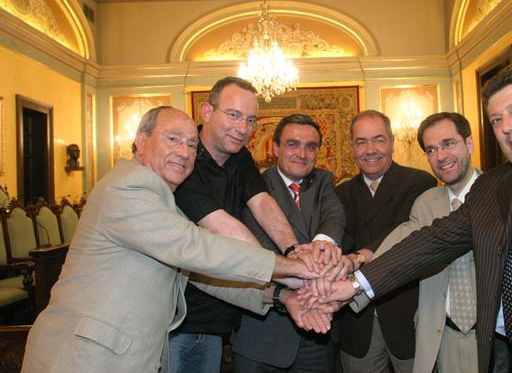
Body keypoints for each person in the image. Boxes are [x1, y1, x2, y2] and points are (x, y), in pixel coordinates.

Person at [311, 69, 512, 373]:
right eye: (497, 119)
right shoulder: (493, 186)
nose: (506, 126)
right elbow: (432, 242)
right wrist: (352, 286)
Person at [21, 106, 321, 373]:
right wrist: (292, 267)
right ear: (141, 141)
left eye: (191, 145)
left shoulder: (166, 204)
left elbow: (204, 277)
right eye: (173, 139)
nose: (184, 152)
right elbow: (197, 248)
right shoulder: (128, 186)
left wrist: (283, 296)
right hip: (85, 356)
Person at [170, 77, 339, 373]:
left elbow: (262, 203)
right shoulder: (185, 158)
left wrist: (293, 250)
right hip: (175, 318)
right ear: (207, 112)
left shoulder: (239, 156)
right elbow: (221, 226)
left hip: (215, 320)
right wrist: (292, 272)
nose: (242, 128)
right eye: (234, 115)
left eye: (250, 120)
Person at [354, 112, 483, 373]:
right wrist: (348, 289)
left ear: (469, 143)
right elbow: (399, 250)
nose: (441, 156)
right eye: (431, 150)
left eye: (449, 144)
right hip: (441, 338)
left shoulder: (501, 193)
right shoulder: (426, 202)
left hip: (493, 337)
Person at [232, 114, 346, 372]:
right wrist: (306, 271)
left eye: (310, 147)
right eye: (293, 144)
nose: (302, 154)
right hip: (263, 333)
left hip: (317, 335)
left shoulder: (324, 181)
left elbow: (334, 215)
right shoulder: (255, 185)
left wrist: (322, 245)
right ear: (275, 148)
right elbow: (257, 242)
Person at [334, 110, 437, 373]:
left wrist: (360, 256)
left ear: (392, 142)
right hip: (357, 320)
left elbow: (407, 234)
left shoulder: (420, 183)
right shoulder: (340, 193)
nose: (370, 150)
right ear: (351, 147)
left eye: (378, 140)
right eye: (361, 142)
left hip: (407, 315)